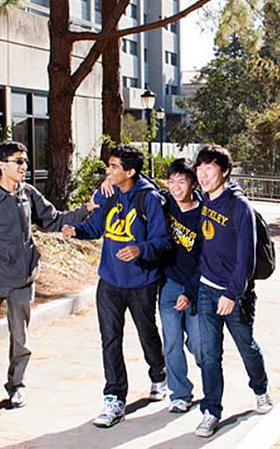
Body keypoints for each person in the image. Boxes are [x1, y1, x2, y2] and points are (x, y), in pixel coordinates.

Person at [0, 140, 93, 431]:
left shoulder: (29, 194)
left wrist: (88, 208)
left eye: (25, 162)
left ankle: (16, 386)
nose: (24, 167)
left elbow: (54, 221)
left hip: (23, 283)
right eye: (18, 162)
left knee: (21, 342)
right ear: (2, 165)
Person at [62, 144, 170, 428]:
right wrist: (77, 231)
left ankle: (159, 374)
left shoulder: (150, 199)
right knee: (110, 338)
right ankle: (114, 397)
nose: (107, 171)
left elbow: (163, 242)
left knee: (147, 333)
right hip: (109, 280)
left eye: (113, 167)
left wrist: (139, 249)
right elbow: (96, 227)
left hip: (141, 282)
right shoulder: (108, 194)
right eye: (108, 166)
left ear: (130, 171)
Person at [193, 145, 273, 438]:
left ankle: (261, 389)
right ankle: (211, 411)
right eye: (199, 169)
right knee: (209, 354)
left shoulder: (240, 207)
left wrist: (231, 293)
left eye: (209, 169)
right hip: (205, 290)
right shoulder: (203, 200)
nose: (203, 175)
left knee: (246, 346)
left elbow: (246, 257)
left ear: (224, 172)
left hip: (234, 294)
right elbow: (170, 194)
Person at [159, 158, 203, 414]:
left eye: (182, 182)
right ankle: (180, 393)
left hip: (196, 288)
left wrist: (190, 292)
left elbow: (208, 260)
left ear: (193, 183)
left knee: (198, 344)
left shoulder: (205, 213)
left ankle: (199, 355)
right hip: (170, 285)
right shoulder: (164, 205)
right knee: (171, 342)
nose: (176, 187)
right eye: (171, 181)